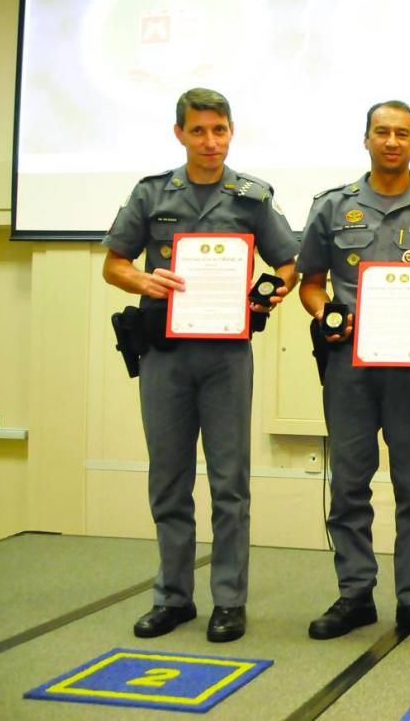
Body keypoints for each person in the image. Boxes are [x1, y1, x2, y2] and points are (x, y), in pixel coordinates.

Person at [102, 87, 299, 643]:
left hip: (225, 357)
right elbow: (114, 264)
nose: (210, 142)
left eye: (219, 130)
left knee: (230, 484)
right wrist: (145, 280)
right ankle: (173, 597)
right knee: (169, 480)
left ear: (231, 132)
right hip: (165, 355)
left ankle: (229, 601)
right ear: (180, 134)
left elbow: (289, 263)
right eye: (198, 131)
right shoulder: (151, 193)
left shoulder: (252, 197)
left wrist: (269, 293)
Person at [297, 100, 410, 641]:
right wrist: (323, 313)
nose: (392, 141)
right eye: (382, 132)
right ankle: (355, 594)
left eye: (402, 133)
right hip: (348, 366)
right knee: (349, 484)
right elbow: (310, 283)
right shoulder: (333, 206)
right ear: (367, 140)